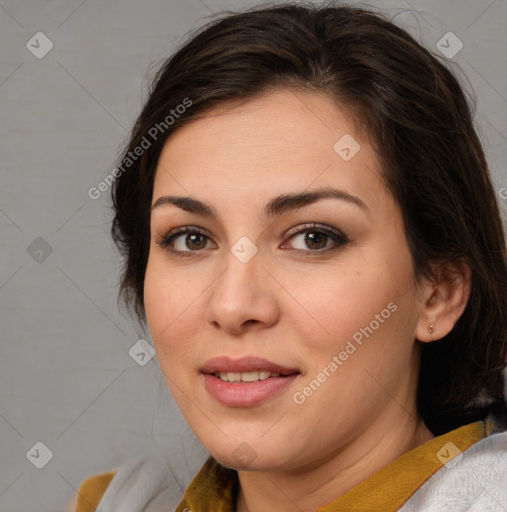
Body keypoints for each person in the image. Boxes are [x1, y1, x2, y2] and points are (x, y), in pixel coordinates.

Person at [71, 2, 507, 511]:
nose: (233, 306)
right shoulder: (114, 503)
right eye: (191, 238)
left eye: (313, 238)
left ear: (439, 292)